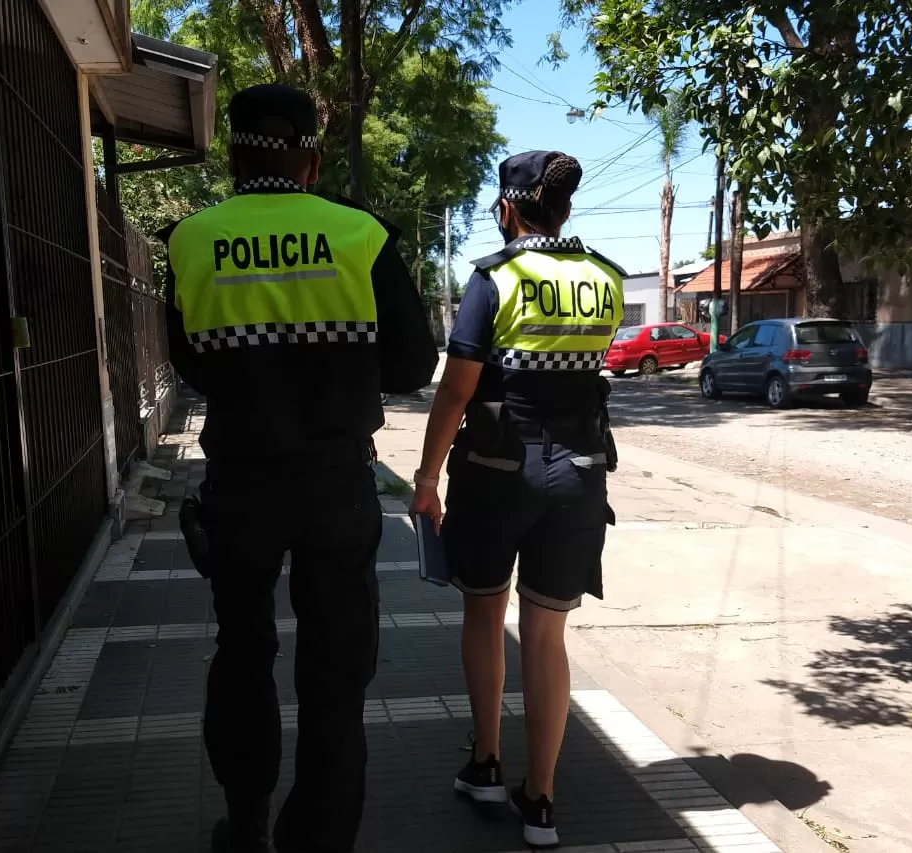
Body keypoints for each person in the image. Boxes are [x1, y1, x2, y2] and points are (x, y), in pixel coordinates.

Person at [158, 83, 438, 853]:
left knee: (242, 651)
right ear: (312, 159)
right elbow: (414, 362)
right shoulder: (362, 235)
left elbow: (192, 363)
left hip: (241, 483)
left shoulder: (190, 238)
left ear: (233, 153)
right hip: (334, 487)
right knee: (335, 677)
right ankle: (315, 838)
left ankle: (244, 823)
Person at [408, 151, 625, 849]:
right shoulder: (605, 279)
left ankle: (486, 762)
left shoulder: (494, 278)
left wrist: (426, 476)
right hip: (580, 475)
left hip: (497, 472)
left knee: (484, 612)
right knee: (547, 633)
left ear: (509, 206)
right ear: (562, 207)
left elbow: (457, 388)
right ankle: (542, 798)